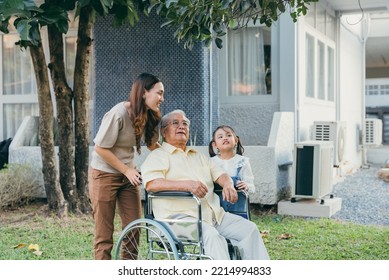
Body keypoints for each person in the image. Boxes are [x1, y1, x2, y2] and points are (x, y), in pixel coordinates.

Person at [141, 110, 270, 260]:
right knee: (213, 237)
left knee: (250, 229)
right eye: (175, 123)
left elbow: (220, 174)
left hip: (214, 216)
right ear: (164, 131)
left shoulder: (198, 156)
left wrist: (228, 184)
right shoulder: (158, 156)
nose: (181, 127)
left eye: (185, 124)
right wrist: (187, 185)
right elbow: (152, 184)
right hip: (178, 221)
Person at [89, 73, 164, 260]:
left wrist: (174, 154)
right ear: (144, 92)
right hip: (104, 174)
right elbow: (100, 148)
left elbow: (153, 145)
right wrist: (126, 170)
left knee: (134, 227)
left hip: (128, 176)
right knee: (104, 234)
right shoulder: (119, 113)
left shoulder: (149, 115)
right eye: (159, 93)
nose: (162, 98)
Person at [209, 125, 255, 213]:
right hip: (216, 208)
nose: (225, 138)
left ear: (236, 140)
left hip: (237, 207)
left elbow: (251, 185)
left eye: (228, 135)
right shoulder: (211, 162)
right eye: (220, 137)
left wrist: (246, 185)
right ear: (215, 144)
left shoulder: (242, 161)